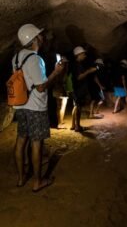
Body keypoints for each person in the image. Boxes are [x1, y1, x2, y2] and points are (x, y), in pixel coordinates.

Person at [13, 24, 64, 192]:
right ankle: (37, 181)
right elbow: (41, 87)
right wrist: (56, 73)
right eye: (39, 35)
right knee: (37, 143)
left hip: (21, 105)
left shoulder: (16, 58)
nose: (42, 38)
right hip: (35, 107)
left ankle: (21, 178)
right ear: (34, 39)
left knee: (21, 141)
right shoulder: (35, 59)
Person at [71, 46, 96, 131]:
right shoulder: (77, 65)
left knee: (76, 107)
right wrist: (89, 71)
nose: (85, 55)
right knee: (78, 107)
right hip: (78, 89)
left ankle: (74, 125)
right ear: (79, 54)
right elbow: (79, 77)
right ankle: (77, 126)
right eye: (83, 54)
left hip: (78, 89)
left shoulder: (77, 64)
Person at [52, 55, 69, 128]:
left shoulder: (57, 68)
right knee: (61, 106)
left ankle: (59, 122)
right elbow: (63, 80)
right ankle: (59, 122)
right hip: (60, 89)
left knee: (59, 106)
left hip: (57, 88)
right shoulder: (63, 70)